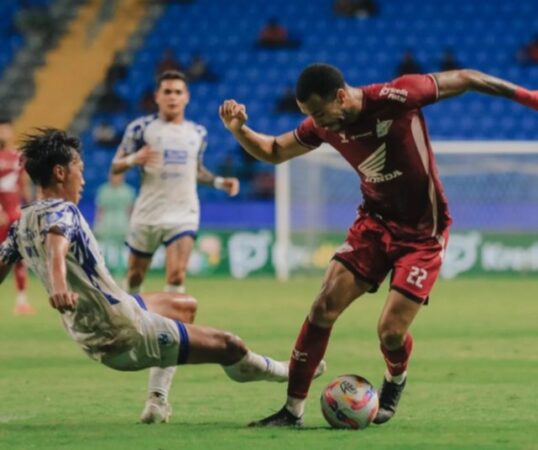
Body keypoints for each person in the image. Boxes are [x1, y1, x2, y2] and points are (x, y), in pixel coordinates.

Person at [219, 63, 538, 427]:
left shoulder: (395, 96)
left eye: (321, 113)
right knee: (323, 306)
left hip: (423, 234)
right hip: (373, 225)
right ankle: (292, 411)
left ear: (341, 96)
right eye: (311, 116)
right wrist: (239, 130)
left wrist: (529, 98)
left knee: (390, 332)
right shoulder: (323, 126)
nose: (319, 122)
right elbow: (275, 150)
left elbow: (465, 79)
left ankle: (395, 379)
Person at [0, 128, 326, 423]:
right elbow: (57, 244)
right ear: (60, 172)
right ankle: (286, 371)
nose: (83, 180)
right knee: (230, 345)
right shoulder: (63, 211)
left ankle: (157, 401)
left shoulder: (20, 224)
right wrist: (57, 286)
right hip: (122, 329)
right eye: (79, 171)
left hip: (92, 325)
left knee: (183, 305)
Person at [111, 70, 239, 296]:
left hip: (183, 212)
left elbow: (196, 171)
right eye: (167, 92)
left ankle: (171, 330)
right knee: (135, 276)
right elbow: (115, 166)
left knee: (177, 275)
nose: (172, 97)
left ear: (186, 97)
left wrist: (219, 182)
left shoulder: (197, 133)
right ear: (157, 96)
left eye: (178, 92)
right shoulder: (140, 129)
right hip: (148, 211)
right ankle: (130, 324)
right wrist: (134, 159)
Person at [0, 118, 35, 315]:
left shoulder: (18, 156)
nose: (2, 134)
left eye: (5, 131)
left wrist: (29, 208)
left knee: (19, 257)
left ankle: (22, 301)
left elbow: (23, 184)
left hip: (14, 215)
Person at [93, 172, 136, 280]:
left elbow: (130, 210)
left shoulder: (128, 191)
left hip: (122, 225)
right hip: (106, 224)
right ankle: (105, 274)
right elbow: (100, 210)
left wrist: (132, 225)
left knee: (121, 251)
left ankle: (120, 275)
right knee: (105, 251)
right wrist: (97, 224)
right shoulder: (103, 190)